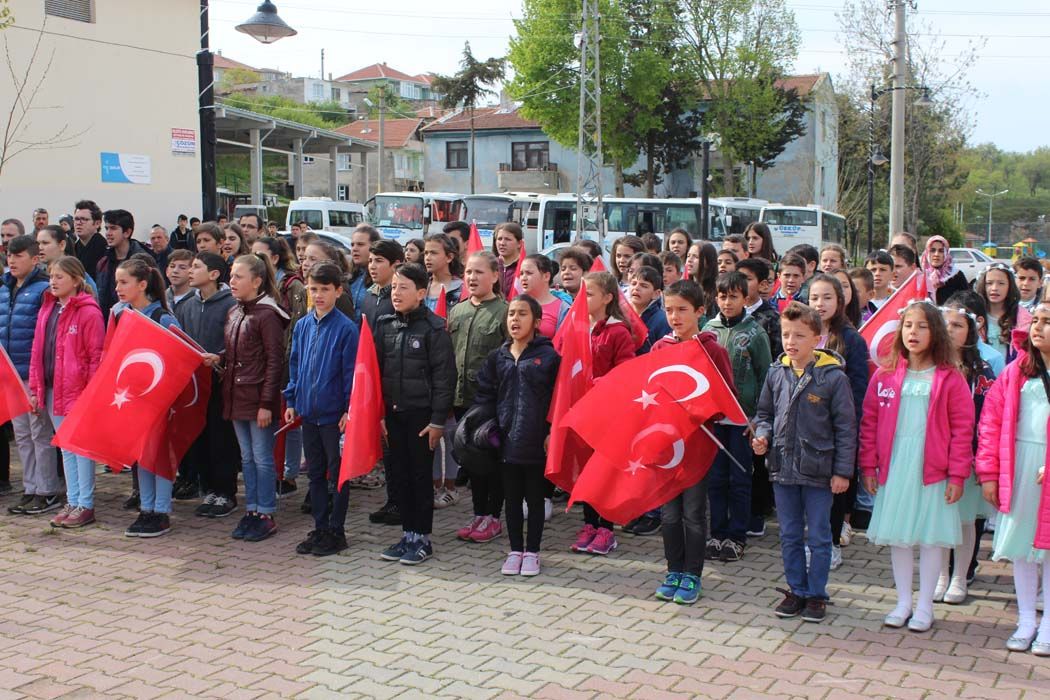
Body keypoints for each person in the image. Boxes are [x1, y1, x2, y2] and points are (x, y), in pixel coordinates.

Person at [860, 301, 973, 633]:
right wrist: (868, 465)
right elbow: (870, 422)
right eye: (908, 325)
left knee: (930, 538)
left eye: (922, 326)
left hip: (932, 468)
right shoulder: (884, 374)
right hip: (896, 466)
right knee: (899, 537)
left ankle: (925, 607)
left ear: (935, 332)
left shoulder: (950, 378)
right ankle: (902, 603)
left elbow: (963, 428)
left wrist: (957, 473)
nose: (914, 332)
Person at [753, 302, 857, 622]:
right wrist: (762, 435)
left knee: (820, 536)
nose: (791, 341)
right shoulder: (776, 372)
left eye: (799, 335)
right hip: (783, 468)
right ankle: (796, 589)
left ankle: (816, 594)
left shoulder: (833, 379)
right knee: (789, 534)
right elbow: (765, 414)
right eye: (786, 334)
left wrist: (842, 471)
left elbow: (846, 428)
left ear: (817, 339)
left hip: (819, 471)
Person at [651, 279, 735, 604]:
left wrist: (699, 409)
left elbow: (727, 397)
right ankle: (673, 570)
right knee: (669, 514)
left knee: (693, 512)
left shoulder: (712, 350)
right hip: (666, 446)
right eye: (669, 309)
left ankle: (693, 575)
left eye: (682, 310)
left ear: (700, 311)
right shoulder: (659, 348)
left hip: (697, 445)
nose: (675, 316)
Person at [976, 302, 1050, 655]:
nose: (1038, 327)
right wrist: (989, 473)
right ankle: (1025, 621)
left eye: (1047, 322)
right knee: (1022, 548)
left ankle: (1048, 624)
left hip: (1046, 469)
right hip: (1019, 467)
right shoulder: (1016, 370)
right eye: (1035, 320)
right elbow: (990, 423)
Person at [374, 263, 456, 566]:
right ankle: (406, 534)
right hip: (393, 415)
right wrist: (379, 413)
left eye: (404, 288)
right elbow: (375, 373)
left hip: (422, 417)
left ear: (421, 293)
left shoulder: (434, 328)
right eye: (394, 287)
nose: (397, 293)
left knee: (421, 477)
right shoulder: (384, 325)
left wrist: (437, 421)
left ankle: (422, 538)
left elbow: (445, 378)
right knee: (400, 476)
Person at [473, 294, 559, 577]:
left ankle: (532, 552)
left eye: (522, 314)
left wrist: (550, 433)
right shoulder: (498, 356)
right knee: (511, 499)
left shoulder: (548, 357)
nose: (515, 319)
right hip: (505, 441)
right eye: (511, 314)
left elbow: (558, 399)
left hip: (536, 441)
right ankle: (514, 550)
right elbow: (485, 393)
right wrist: (487, 427)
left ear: (536, 322)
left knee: (534, 500)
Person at [204, 254, 288, 543]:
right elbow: (239, 350)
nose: (232, 281)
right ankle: (251, 509)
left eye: (239, 276)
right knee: (247, 458)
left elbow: (275, 362)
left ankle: (266, 511)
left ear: (257, 281)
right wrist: (220, 357)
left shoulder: (268, 315)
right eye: (232, 275)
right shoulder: (236, 311)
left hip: (256, 398)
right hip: (236, 395)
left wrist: (267, 404)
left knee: (263, 458)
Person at [287, 262, 359, 557]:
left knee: (337, 474)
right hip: (308, 413)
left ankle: (336, 530)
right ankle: (319, 526)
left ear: (338, 291)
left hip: (334, 417)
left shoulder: (346, 329)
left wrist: (347, 409)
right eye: (313, 289)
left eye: (324, 290)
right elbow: (295, 365)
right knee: (315, 474)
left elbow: (349, 373)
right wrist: (291, 401)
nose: (317, 295)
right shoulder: (303, 325)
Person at [27, 256, 105, 529]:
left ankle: (86, 503)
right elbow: (38, 351)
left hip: (76, 391)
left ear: (75, 280)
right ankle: (73, 500)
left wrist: (91, 394)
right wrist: (36, 387)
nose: (53, 281)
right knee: (66, 448)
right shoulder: (48, 308)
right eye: (51, 276)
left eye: (59, 276)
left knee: (80, 449)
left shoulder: (88, 312)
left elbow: (96, 356)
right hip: (52, 388)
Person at [703, 271, 771, 562]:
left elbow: (766, 376)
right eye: (722, 296)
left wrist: (758, 418)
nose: (727, 302)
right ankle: (717, 534)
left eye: (733, 296)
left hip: (744, 420)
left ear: (745, 298)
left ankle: (737, 536)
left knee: (740, 479)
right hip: (714, 419)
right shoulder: (708, 329)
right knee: (716, 479)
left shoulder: (755, 333)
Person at [111, 258, 181, 537]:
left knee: (159, 454)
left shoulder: (162, 318)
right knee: (141, 455)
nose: (118, 288)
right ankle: (146, 507)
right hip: (131, 398)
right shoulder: (120, 314)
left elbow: (178, 358)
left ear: (142, 285)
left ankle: (161, 512)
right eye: (116, 282)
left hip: (158, 399)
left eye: (124, 282)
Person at [571, 271, 636, 556]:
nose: (582, 300)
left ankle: (607, 529)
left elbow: (626, 374)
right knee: (586, 471)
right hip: (582, 412)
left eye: (589, 294)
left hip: (608, 414)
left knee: (605, 472)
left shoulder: (618, 332)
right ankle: (589, 524)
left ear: (608, 298)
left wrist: (595, 384)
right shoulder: (577, 327)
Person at [807, 274, 869, 570]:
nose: (820, 304)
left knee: (834, 491)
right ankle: (813, 542)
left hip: (835, 428)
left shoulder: (852, 339)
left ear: (840, 301)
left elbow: (858, 388)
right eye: (814, 298)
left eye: (827, 297)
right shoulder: (803, 333)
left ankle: (830, 544)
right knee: (810, 491)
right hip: (806, 427)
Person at [936, 303, 996, 605]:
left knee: (965, 519)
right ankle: (941, 576)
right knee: (940, 517)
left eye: (958, 325)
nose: (950, 330)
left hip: (968, 455)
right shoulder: (930, 365)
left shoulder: (982, 371)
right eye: (945, 324)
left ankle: (960, 575)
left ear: (971, 332)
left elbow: (988, 415)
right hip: (936, 455)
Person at [449, 251, 509, 544]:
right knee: (471, 463)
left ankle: (493, 517)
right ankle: (478, 514)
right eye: (468, 272)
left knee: (491, 463)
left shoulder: (504, 312)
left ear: (495, 276)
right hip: (463, 400)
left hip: (491, 404)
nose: (472, 278)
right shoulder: (457, 311)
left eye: (479, 272)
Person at [176, 252, 240, 519]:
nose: (191, 271)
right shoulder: (187, 304)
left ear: (214, 274)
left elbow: (237, 342)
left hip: (220, 381)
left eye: (197, 267)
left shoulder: (231, 305)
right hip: (195, 383)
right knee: (200, 437)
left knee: (221, 439)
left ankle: (226, 492)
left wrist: (219, 359)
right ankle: (209, 489)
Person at [2, 235, 61, 516]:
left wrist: (38, 378)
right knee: (22, 435)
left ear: (35, 259)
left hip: (32, 374)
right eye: (9, 255)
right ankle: (30, 488)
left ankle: (47, 490)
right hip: (10, 375)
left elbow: (45, 336)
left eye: (18, 255)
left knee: (40, 433)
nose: (12, 260)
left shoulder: (42, 290)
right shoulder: (4, 289)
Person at [252, 236, 308, 495]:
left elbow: (295, 328)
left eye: (260, 255)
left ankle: (289, 473)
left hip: (286, 363)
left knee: (291, 421)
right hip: (268, 363)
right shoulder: (261, 287)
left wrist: (287, 363)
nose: (255, 260)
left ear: (274, 258)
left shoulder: (292, 286)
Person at [362, 239, 405, 518]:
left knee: (398, 444)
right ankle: (393, 500)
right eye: (370, 260)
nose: (372, 266)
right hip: (373, 377)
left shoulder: (400, 296)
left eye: (379, 261)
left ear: (395, 264)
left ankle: (404, 502)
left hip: (396, 377)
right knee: (386, 445)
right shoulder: (367, 295)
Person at [96, 209, 149, 316]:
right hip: (109, 322)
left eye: (113, 228)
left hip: (135, 320)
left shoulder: (143, 261)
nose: (108, 233)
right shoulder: (103, 263)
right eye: (106, 228)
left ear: (127, 232)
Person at [977, 263, 1031, 365]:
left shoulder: (1022, 317)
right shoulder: (975, 314)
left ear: (1010, 286)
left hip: (1010, 374)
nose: (994, 288)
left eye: (1001, 283)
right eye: (989, 283)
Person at [946, 290, 1006, 377]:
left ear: (978, 322)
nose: (948, 329)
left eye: (957, 325)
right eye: (945, 323)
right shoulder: (937, 355)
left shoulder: (993, 358)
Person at [519, 254, 570, 338]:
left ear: (546, 276)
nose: (523, 278)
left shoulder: (563, 309)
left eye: (529, 273)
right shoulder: (516, 304)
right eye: (521, 273)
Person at [627, 265, 671, 355]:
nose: (636, 288)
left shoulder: (662, 320)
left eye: (644, 286)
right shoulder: (621, 315)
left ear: (656, 293)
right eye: (633, 283)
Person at [921, 235, 970, 305]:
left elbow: (966, 301)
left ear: (946, 253)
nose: (936, 254)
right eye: (932, 250)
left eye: (941, 251)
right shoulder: (921, 276)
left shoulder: (956, 275)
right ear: (927, 253)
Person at [347, 224, 380, 322]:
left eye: (360, 244)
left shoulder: (382, 278)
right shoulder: (350, 276)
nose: (355, 249)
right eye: (352, 244)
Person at [423, 232, 463, 312]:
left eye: (433, 253)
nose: (428, 258)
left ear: (449, 257)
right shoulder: (421, 285)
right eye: (426, 253)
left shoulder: (461, 289)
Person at [72, 200, 107, 278]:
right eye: (76, 219)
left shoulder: (104, 248)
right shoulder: (75, 247)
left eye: (84, 219)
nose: (78, 223)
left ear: (97, 224)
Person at [690, 242, 719, 321]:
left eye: (695, 256)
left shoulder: (717, 291)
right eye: (688, 256)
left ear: (708, 262)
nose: (689, 260)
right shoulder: (685, 288)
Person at [492, 223, 524, 297]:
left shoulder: (526, 266)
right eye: (499, 239)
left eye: (508, 239)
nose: (502, 243)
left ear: (519, 243)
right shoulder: (490, 265)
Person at [164, 249, 195, 316]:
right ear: (167, 271)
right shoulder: (162, 298)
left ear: (192, 272)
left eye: (182, 267)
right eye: (172, 266)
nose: (175, 271)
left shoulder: (198, 299)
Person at [864, 249, 895, 315]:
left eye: (882, 270)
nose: (877, 273)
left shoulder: (897, 299)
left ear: (892, 275)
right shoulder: (858, 301)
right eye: (873, 270)